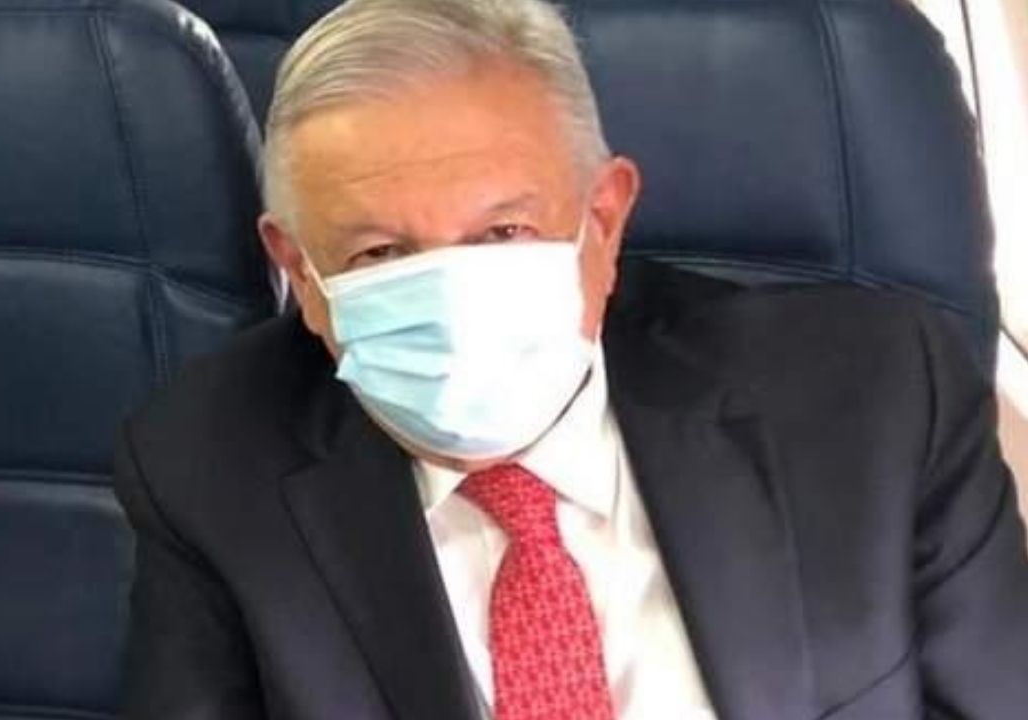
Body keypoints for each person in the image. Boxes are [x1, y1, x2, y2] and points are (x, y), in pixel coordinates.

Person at [112, 0, 1028, 717]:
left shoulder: (875, 397)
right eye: (379, 254)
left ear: (603, 221)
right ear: (299, 273)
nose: (452, 300)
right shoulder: (206, 467)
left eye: (502, 233)